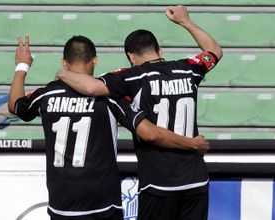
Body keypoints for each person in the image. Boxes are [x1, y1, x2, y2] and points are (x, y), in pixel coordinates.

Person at [8, 34, 209, 220]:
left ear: (64, 63)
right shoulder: (110, 97)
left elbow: (15, 105)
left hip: (62, 201)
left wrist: (22, 66)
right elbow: (148, 132)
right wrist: (192, 143)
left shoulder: (46, 95)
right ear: (95, 60)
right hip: (103, 201)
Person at [57, 5, 223, 220]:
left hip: (159, 183)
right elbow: (215, 52)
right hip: (196, 181)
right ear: (159, 51)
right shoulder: (188, 68)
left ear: (131, 56)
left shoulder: (132, 76)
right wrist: (186, 21)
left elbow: (91, 88)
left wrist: (63, 73)